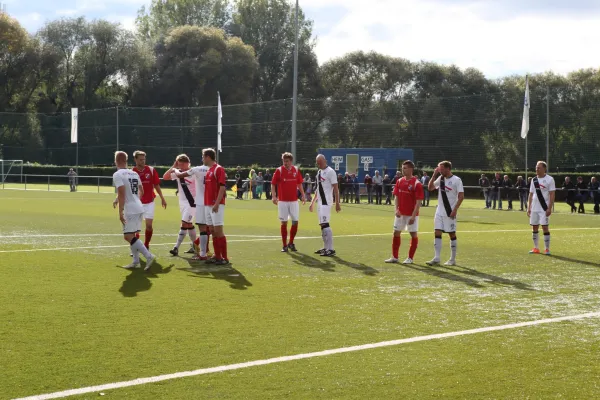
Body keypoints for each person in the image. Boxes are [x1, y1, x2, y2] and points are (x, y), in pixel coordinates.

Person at [112, 150, 167, 251]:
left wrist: (162, 198)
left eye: (144, 159)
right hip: (138, 203)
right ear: (135, 159)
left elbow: (156, 185)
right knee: (135, 229)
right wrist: (117, 199)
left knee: (149, 226)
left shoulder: (150, 170)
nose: (143, 161)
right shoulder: (132, 172)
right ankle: (136, 249)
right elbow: (125, 189)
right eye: (141, 159)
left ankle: (146, 244)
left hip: (149, 201)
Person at [112, 151, 155, 270]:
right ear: (125, 160)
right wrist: (136, 200)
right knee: (132, 234)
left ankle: (148, 256)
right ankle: (135, 261)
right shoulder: (133, 173)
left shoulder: (117, 174)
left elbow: (121, 193)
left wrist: (120, 211)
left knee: (127, 236)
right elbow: (141, 190)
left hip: (130, 209)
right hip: (139, 207)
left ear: (116, 161)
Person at [426, 161, 464, 266]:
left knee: (451, 233)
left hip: (450, 211)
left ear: (448, 168)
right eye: (439, 169)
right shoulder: (441, 178)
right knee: (437, 232)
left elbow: (461, 196)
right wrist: (434, 174)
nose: (440, 171)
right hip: (439, 211)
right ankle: (437, 257)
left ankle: (452, 259)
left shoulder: (457, 180)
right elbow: (430, 188)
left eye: (441, 169)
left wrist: (455, 210)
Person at [385, 160, 423, 264]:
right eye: (402, 168)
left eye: (405, 168)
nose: (403, 169)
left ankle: (410, 258)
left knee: (413, 234)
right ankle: (394, 257)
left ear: (411, 169)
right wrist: (396, 209)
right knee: (396, 233)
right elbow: (396, 196)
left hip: (411, 214)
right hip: (400, 213)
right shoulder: (399, 181)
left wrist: (413, 216)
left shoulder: (417, 183)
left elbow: (419, 201)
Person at [176, 159, 211, 261]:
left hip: (199, 202)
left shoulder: (197, 170)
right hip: (207, 202)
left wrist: (175, 169)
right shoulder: (214, 169)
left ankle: (200, 248)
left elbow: (179, 175)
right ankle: (203, 251)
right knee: (208, 228)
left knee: (206, 228)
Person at [163, 154, 197, 256]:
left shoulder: (193, 173)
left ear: (188, 163)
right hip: (182, 202)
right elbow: (165, 177)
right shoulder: (178, 172)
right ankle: (194, 246)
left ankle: (176, 247)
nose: (181, 166)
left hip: (192, 202)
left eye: (183, 163)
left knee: (184, 223)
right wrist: (173, 167)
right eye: (179, 164)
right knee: (188, 224)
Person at [271, 152, 306, 252]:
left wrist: (303, 196)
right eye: (283, 161)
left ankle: (291, 242)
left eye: (287, 161)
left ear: (291, 161)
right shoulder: (279, 171)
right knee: (284, 222)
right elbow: (273, 184)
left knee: (295, 221)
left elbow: (299, 184)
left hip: (294, 201)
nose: (285, 163)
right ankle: (284, 245)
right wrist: (274, 196)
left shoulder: (296, 170)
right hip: (282, 202)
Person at [309, 154, 341, 257]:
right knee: (322, 225)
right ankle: (325, 247)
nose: (319, 164)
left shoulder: (331, 172)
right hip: (320, 202)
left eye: (320, 162)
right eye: (317, 162)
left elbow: (336, 188)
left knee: (325, 224)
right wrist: (313, 202)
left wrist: (337, 203)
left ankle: (331, 249)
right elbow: (318, 189)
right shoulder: (319, 172)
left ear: (325, 161)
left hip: (327, 202)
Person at [202, 148, 229, 265]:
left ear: (208, 157)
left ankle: (224, 258)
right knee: (212, 230)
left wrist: (217, 203)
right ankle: (217, 256)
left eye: (203, 157)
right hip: (207, 204)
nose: (202, 159)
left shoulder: (218, 169)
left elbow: (222, 187)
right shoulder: (209, 170)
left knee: (219, 231)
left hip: (215, 204)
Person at [527, 161, 555, 255]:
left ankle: (547, 249)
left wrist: (549, 208)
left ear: (544, 169)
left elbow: (552, 194)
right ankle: (536, 248)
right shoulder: (533, 180)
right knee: (534, 227)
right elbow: (531, 194)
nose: (536, 169)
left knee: (544, 227)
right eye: (536, 167)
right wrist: (528, 207)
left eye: (538, 168)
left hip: (544, 207)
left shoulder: (550, 179)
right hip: (534, 207)